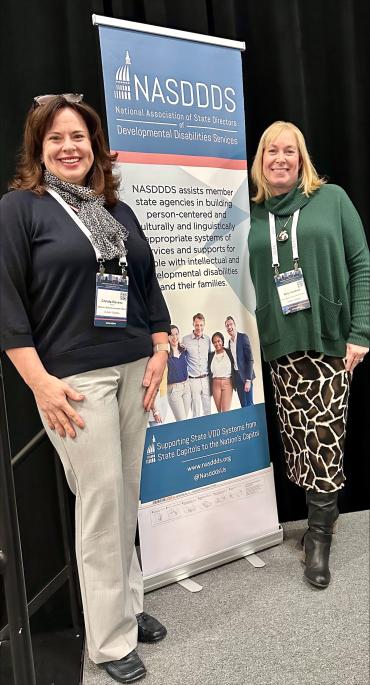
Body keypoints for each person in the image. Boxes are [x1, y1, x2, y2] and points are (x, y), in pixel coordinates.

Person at [0, 94, 172, 684]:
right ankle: (109, 639)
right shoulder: (21, 209)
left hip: (133, 370)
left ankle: (126, 605)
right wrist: (41, 385)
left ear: (95, 146)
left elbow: (148, 286)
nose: (69, 148)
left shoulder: (116, 211)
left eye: (79, 137)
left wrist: (160, 346)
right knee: (100, 505)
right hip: (74, 381)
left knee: (124, 495)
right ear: (39, 149)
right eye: (56, 139)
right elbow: (7, 305)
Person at [249, 120, 370, 589]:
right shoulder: (254, 212)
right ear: (261, 160)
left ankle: (319, 536)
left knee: (324, 439)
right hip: (280, 347)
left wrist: (360, 330)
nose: (280, 159)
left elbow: (361, 263)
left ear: (302, 159)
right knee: (298, 438)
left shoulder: (332, 199)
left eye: (289, 151)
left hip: (330, 342)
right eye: (270, 151)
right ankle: (322, 519)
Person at [182, 313, 211, 417]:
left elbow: (210, 357)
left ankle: (209, 431)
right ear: (193, 324)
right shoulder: (185, 340)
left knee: (208, 410)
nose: (199, 327)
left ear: (204, 325)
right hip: (193, 380)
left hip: (206, 378)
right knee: (196, 411)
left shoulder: (208, 339)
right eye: (197, 325)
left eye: (201, 325)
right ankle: (197, 433)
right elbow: (182, 357)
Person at [224, 316, 254, 406]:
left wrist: (248, 380)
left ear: (235, 325)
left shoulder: (243, 337)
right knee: (243, 405)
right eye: (227, 326)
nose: (229, 327)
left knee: (249, 404)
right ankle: (247, 421)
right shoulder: (229, 342)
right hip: (237, 378)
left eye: (231, 324)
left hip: (246, 376)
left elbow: (250, 359)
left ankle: (253, 420)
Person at [167, 325, 191, 421]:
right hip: (174, 390)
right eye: (171, 335)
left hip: (186, 388)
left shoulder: (184, 350)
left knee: (185, 420)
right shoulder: (165, 354)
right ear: (167, 337)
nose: (174, 337)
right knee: (182, 421)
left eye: (176, 334)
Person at [208, 332, 236, 412]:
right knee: (219, 411)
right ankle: (222, 425)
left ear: (222, 341)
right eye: (214, 342)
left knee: (225, 411)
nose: (217, 344)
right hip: (215, 384)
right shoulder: (211, 355)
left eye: (218, 341)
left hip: (227, 383)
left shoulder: (229, 352)